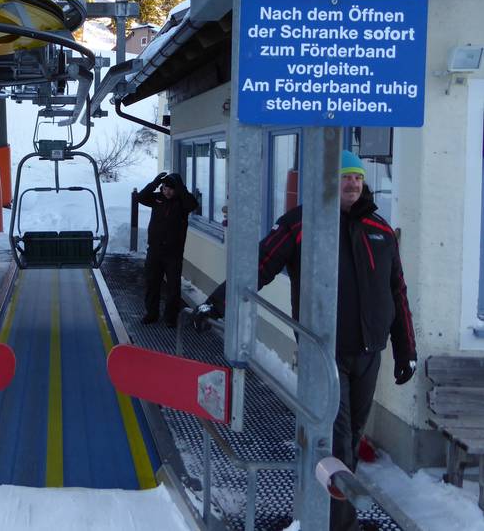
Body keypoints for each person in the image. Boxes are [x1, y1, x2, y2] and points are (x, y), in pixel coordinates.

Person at [194, 151, 417, 530]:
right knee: (336, 440)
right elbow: (260, 264)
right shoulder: (302, 224)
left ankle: (330, 514)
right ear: (328, 180)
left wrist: (405, 350)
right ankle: (336, 525)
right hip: (323, 352)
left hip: (369, 352)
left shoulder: (379, 230)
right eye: (344, 176)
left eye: (357, 177)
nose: (352, 183)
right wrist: (217, 303)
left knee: (351, 437)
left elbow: (396, 291)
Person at [137, 171, 199, 326]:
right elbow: (140, 197)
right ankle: (151, 314)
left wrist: (180, 188)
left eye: (171, 189)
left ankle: (170, 318)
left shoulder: (183, 203)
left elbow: (193, 204)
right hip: (155, 250)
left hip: (173, 253)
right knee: (152, 283)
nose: (167, 192)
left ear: (177, 189)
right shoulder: (157, 198)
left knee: (173, 287)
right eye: (165, 188)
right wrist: (155, 182)